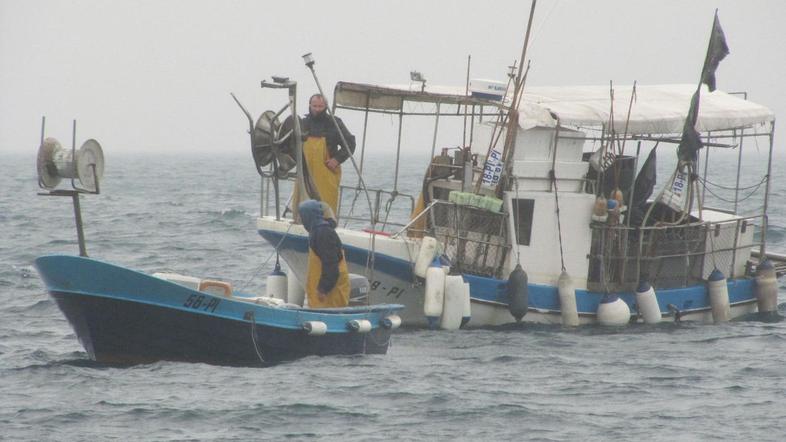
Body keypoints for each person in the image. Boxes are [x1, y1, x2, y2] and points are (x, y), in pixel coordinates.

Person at [300, 94, 356, 217]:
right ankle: (301, 221)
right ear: (309, 106)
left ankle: (328, 224)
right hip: (305, 172)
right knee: (303, 203)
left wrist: (337, 159)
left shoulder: (335, 123)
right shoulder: (302, 123)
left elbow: (350, 143)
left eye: (321, 106)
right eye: (314, 106)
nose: (317, 109)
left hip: (327, 171)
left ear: (326, 106)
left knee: (326, 205)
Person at [298, 199, 350, 308]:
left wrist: (323, 289)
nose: (301, 221)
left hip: (330, 297)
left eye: (302, 216)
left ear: (308, 216)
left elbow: (331, 263)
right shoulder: (319, 230)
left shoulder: (323, 233)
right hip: (322, 300)